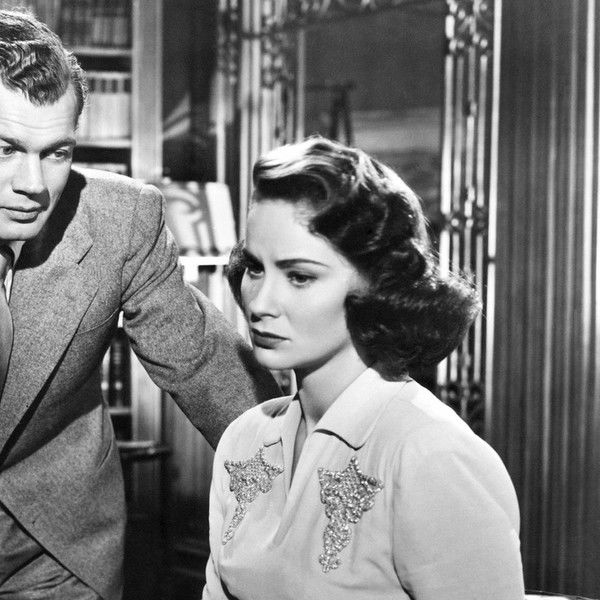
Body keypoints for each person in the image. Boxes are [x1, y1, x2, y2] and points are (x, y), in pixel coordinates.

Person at [0, 8, 280, 600]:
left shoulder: (120, 219)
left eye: (56, 152)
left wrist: (309, 474)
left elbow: (203, 365)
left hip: (54, 545)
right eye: (5, 149)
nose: (33, 184)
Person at [203, 136, 525, 599]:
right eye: (255, 268)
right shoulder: (244, 439)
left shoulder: (431, 455)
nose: (261, 302)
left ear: (377, 286)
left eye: (299, 276)